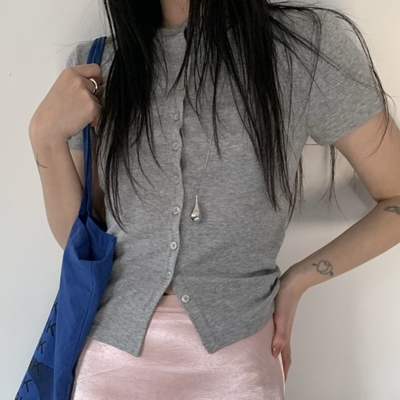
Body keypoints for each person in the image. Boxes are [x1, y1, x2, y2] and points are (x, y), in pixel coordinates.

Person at [28, 0, 399, 398]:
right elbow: (80, 238)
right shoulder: (97, 67)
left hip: (237, 363)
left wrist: (298, 280)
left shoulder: (305, 47)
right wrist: (44, 138)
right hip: (108, 364)